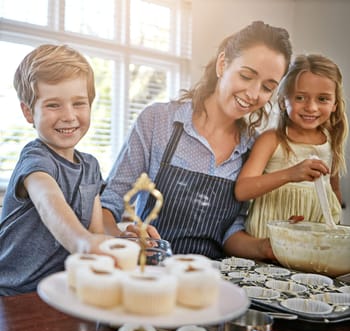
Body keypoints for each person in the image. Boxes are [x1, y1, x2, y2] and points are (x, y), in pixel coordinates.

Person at [101, 21, 293, 260]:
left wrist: (268, 247)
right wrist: (122, 240)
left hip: (210, 278)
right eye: (246, 76)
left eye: (267, 87)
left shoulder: (254, 148)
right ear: (222, 64)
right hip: (151, 272)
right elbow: (109, 205)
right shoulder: (158, 121)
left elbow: (230, 234)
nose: (254, 94)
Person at [0, 44, 118, 295]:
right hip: (14, 296)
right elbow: (48, 202)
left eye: (79, 103)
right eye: (54, 105)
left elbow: (96, 233)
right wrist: (82, 243)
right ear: (29, 112)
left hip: (65, 291)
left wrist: (122, 244)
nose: (69, 116)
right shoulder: (35, 159)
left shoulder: (91, 167)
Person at [235, 54, 348, 238]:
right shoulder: (272, 140)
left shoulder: (331, 140)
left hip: (316, 240)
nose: (311, 107)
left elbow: (333, 190)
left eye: (322, 99)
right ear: (283, 100)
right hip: (269, 238)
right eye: (300, 97)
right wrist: (290, 174)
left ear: (335, 104)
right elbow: (242, 190)